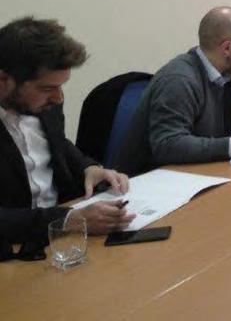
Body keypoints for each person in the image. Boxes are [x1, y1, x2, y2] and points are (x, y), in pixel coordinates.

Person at [1, 17, 134, 260]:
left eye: (61, 87)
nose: (59, 98)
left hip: (64, 244)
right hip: (15, 251)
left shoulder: (46, 105)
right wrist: (69, 219)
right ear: (3, 81)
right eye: (47, 88)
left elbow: (57, 143)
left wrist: (88, 167)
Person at [115, 7, 231, 176]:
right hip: (154, 182)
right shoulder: (179, 80)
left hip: (198, 172)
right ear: (227, 48)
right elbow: (167, 144)